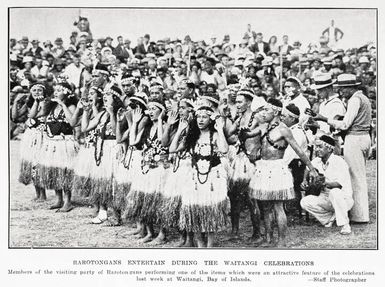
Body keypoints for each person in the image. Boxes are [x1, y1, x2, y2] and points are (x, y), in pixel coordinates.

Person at [246, 98, 318, 247]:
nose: (264, 113)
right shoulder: (264, 126)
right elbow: (247, 134)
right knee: (265, 206)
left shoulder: (284, 129)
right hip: (263, 168)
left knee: (278, 206)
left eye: (267, 110)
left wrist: (311, 168)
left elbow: (299, 150)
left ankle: (282, 240)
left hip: (277, 168)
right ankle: (268, 238)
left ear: (276, 111)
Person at [311, 74, 372, 223]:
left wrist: (324, 119)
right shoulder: (364, 98)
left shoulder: (355, 100)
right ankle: (359, 213)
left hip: (355, 138)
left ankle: (359, 216)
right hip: (364, 137)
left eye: (343, 88)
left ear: (352, 87)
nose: (341, 91)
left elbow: (345, 124)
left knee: (355, 178)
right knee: (359, 177)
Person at [171, 104, 229, 247]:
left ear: (210, 120)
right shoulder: (192, 136)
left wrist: (220, 129)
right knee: (195, 208)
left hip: (212, 178)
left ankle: (209, 244)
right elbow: (172, 149)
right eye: (199, 117)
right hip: (195, 177)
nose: (201, 120)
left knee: (209, 209)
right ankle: (199, 243)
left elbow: (224, 149)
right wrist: (179, 131)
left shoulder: (215, 136)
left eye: (205, 117)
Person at [227, 88, 264, 241]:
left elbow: (262, 133)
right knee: (235, 197)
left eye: (240, 101)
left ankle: (257, 234)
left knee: (251, 199)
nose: (238, 104)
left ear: (249, 102)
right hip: (239, 160)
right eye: (236, 102)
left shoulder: (257, 117)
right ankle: (235, 232)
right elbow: (229, 133)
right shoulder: (239, 116)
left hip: (252, 162)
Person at [36, 81, 78, 212]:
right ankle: (58, 199)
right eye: (55, 90)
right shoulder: (51, 107)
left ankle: (67, 201)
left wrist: (63, 105)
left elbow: (72, 122)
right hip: (52, 142)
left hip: (65, 143)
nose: (56, 92)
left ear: (66, 93)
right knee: (54, 171)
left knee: (65, 171)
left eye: (59, 90)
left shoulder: (70, 106)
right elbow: (36, 116)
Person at [301, 135, 353, 234]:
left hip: (343, 198)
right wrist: (304, 181)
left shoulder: (339, 162)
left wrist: (324, 183)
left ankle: (345, 225)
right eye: (316, 147)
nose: (316, 150)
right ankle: (330, 218)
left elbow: (339, 185)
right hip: (325, 197)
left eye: (320, 147)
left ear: (329, 149)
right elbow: (308, 168)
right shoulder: (317, 161)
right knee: (305, 201)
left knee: (335, 192)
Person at [282, 104, 308, 217]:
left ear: (292, 118)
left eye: (284, 116)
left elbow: (291, 153)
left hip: (296, 165)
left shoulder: (296, 132)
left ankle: (292, 210)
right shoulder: (290, 129)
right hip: (291, 163)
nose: (282, 118)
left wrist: (280, 165)